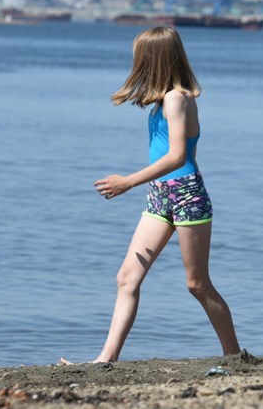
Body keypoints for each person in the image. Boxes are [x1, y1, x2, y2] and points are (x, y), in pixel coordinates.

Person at [61, 26, 240, 364]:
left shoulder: (177, 98)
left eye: (139, 56)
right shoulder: (162, 102)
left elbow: (176, 157)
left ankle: (234, 356)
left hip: (186, 196)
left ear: (153, 59)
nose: (134, 62)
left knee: (197, 284)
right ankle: (106, 359)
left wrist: (128, 182)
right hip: (160, 198)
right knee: (127, 277)